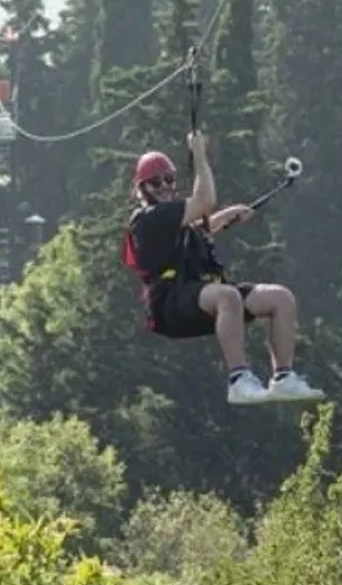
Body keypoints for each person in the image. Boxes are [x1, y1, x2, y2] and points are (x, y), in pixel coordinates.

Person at [121, 131, 325, 406]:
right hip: (169, 303)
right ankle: (239, 380)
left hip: (196, 297)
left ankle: (284, 377)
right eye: (155, 183)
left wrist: (229, 216)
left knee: (280, 298)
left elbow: (199, 228)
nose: (164, 186)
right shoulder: (149, 218)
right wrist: (200, 154)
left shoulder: (171, 219)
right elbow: (204, 201)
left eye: (169, 179)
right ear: (141, 189)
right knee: (227, 296)